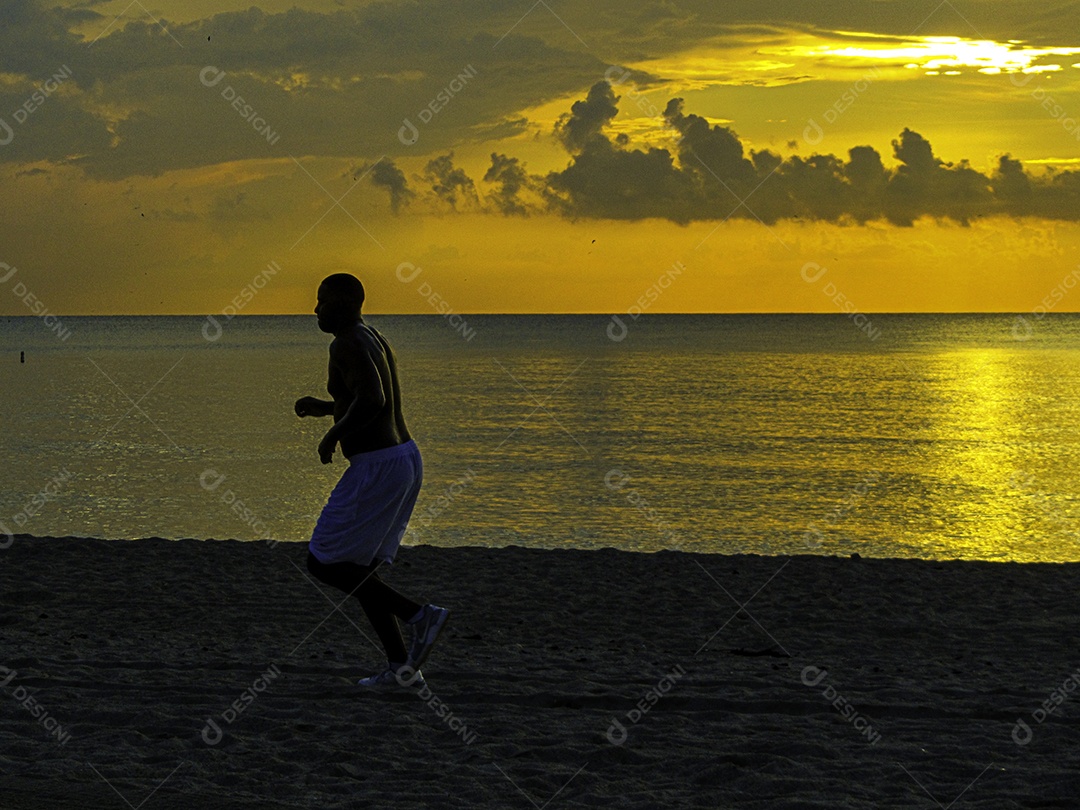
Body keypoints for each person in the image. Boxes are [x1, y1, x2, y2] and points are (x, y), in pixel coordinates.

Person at [295, 272, 448, 687]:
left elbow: (374, 399)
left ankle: (420, 616)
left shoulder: (344, 342)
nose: (315, 309)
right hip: (403, 459)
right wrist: (327, 407)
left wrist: (333, 434)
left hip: (378, 465)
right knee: (360, 570)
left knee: (323, 560)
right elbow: (366, 396)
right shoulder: (371, 336)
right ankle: (402, 669)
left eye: (322, 300)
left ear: (345, 303)